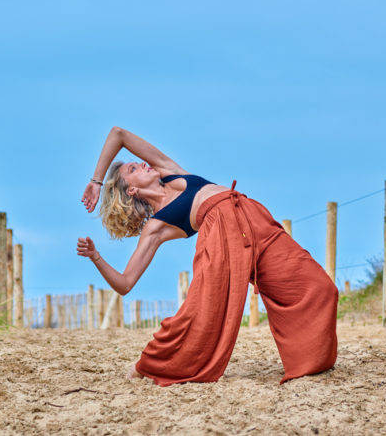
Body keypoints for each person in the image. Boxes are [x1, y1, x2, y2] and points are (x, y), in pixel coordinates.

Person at [78, 127, 338, 386]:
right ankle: (148, 365)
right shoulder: (156, 226)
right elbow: (125, 283)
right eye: (133, 170)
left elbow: (118, 134)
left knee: (320, 287)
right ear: (131, 190)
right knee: (201, 311)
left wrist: (96, 180)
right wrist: (95, 256)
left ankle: (311, 362)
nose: (143, 164)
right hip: (222, 235)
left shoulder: (171, 172)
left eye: (138, 163)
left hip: (255, 220)